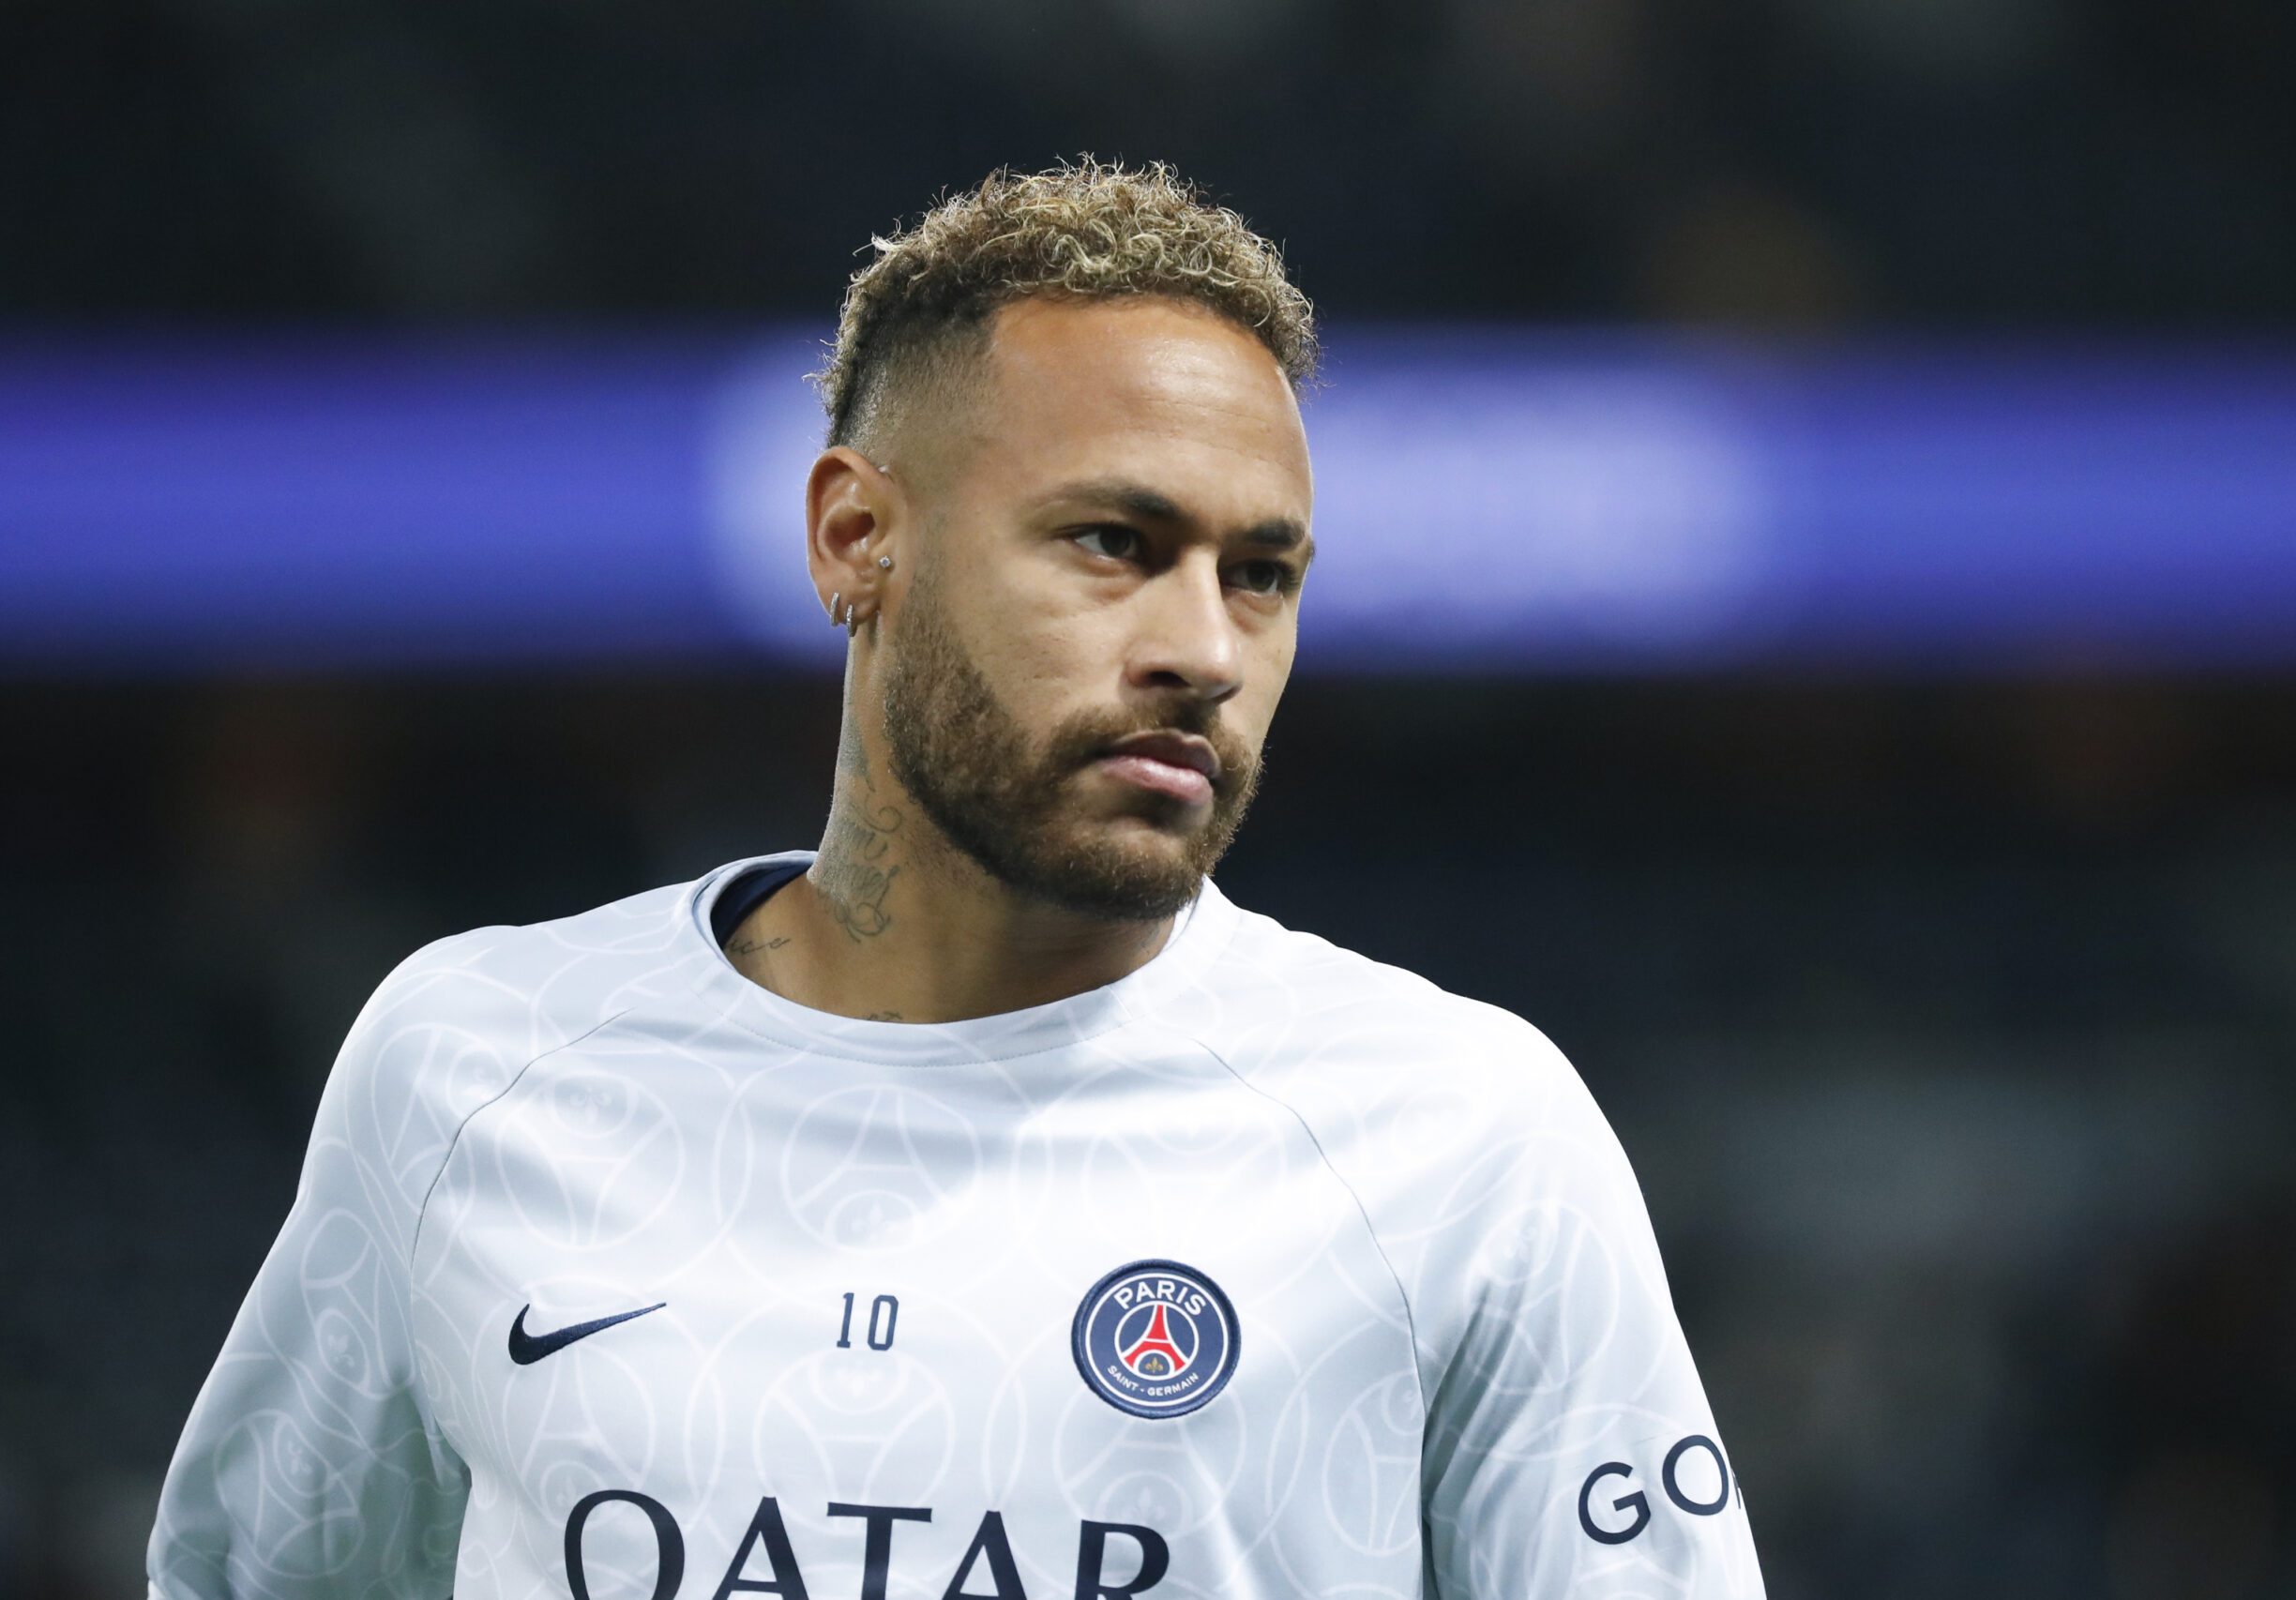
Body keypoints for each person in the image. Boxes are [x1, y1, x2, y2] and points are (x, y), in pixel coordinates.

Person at [147, 158, 1767, 1600]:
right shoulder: (474, 1065)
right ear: (859, 538)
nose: (1205, 649)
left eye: (1261, 574)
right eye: (1112, 543)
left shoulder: (1461, 1136)